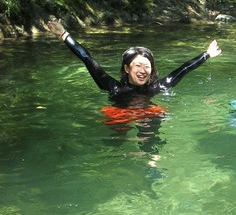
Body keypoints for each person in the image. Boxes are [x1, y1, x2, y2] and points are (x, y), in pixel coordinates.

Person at [47, 20, 222, 156]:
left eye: (147, 66)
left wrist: (206, 54)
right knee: (115, 141)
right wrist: (63, 34)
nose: (143, 70)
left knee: (153, 123)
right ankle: (114, 156)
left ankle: (151, 157)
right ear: (126, 68)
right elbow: (87, 59)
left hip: (146, 115)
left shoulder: (156, 87)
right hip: (120, 114)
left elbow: (183, 69)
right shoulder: (113, 87)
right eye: (138, 65)